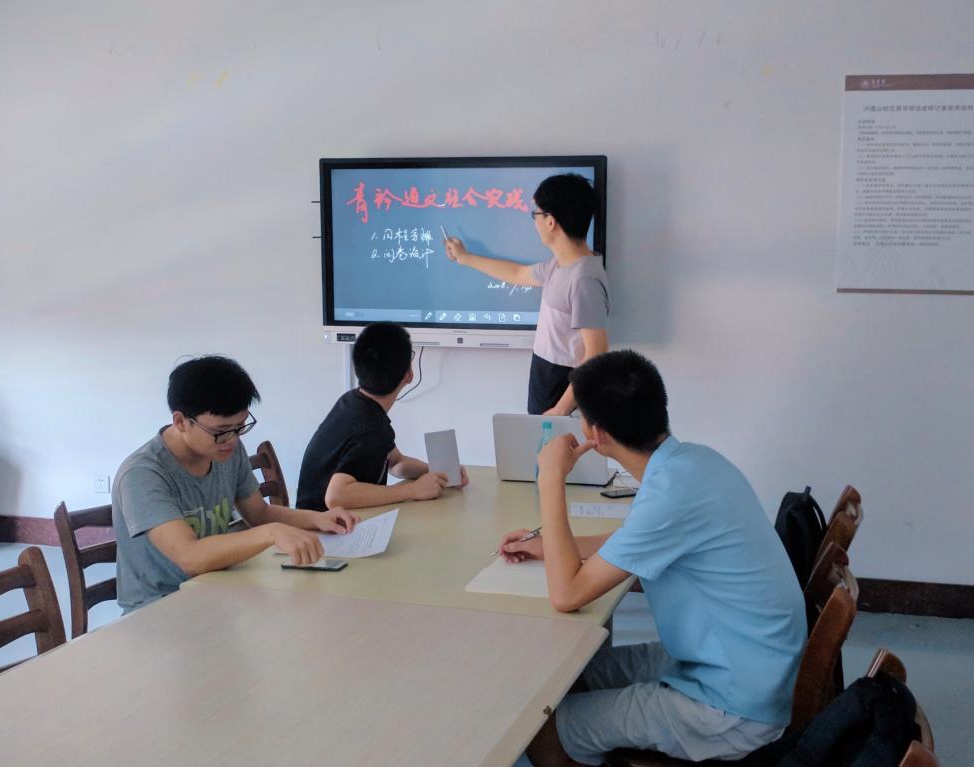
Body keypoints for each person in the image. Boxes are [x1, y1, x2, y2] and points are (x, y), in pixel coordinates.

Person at [498, 350, 806, 765]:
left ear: (594, 433)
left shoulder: (669, 494)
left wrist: (551, 476)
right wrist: (550, 545)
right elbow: (634, 539)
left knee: (541, 730)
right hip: (742, 660)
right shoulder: (694, 462)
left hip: (732, 705)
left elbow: (567, 594)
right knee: (571, 675)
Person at [112, 355, 359, 613]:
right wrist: (272, 533)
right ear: (180, 421)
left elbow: (259, 513)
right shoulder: (142, 474)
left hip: (217, 589)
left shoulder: (225, 450)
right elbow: (190, 557)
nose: (232, 439)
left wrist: (318, 519)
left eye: (240, 427)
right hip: (159, 608)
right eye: (221, 431)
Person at [444, 173, 609, 415]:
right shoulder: (559, 265)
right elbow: (517, 273)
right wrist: (464, 257)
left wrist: (560, 410)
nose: (534, 221)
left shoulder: (584, 279)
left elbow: (597, 352)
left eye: (536, 214)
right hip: (547, 378)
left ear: (551, 222)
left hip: (562, 389)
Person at [296, 322, 467, 511]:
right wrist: (412, 491)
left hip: (312, 519)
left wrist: (437, 473)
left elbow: (396, 463)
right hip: (320, 526)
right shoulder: (372, 428)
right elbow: (336, 496)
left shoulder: (352, 401)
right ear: (408, 374)